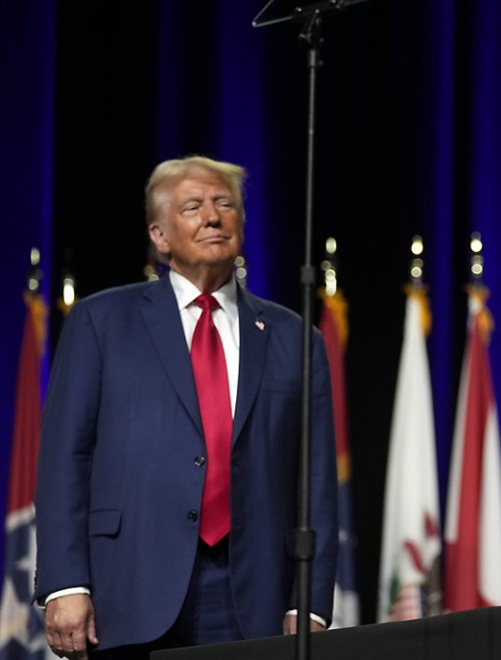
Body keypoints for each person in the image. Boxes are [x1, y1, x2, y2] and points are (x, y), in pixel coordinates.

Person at [34, 156, 338, 659]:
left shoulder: (293, 338)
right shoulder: (101, 322)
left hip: (253, 595)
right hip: (128, 587)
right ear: (160, 235)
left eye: (225, 205)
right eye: (193, 206)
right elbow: (65, 459)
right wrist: (65, 584)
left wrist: (310, 602)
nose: (213, 217)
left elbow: (316, 480)